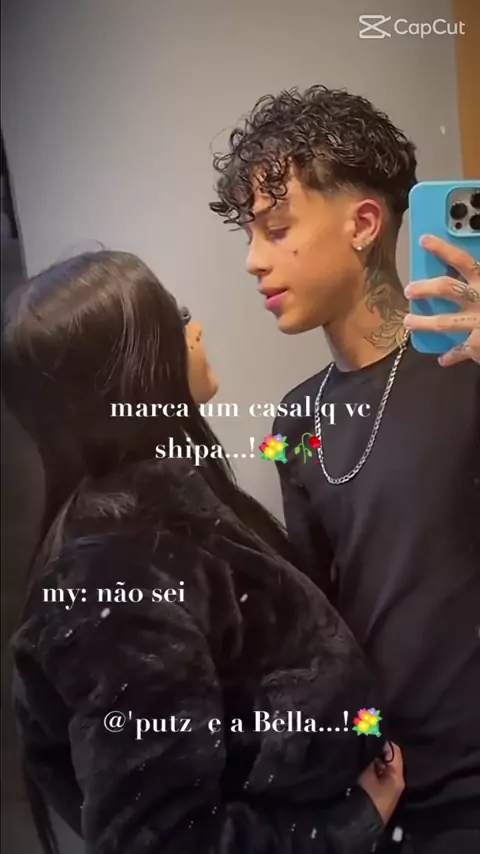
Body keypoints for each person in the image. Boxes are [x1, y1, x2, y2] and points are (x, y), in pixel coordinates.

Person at [2, 250, 404, 854]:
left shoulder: (167, 513)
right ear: (135, 375)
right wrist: (346, 825)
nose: (195, 331)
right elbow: (162, 840)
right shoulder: (114, 573)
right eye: (179, 318)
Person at [210, 86, 480, 852]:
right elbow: (323, 621)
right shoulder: (294, 421)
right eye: (250, 235)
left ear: (363, 224)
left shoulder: (468, 369)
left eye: (276, 229)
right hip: (383, 795)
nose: (254, 260)